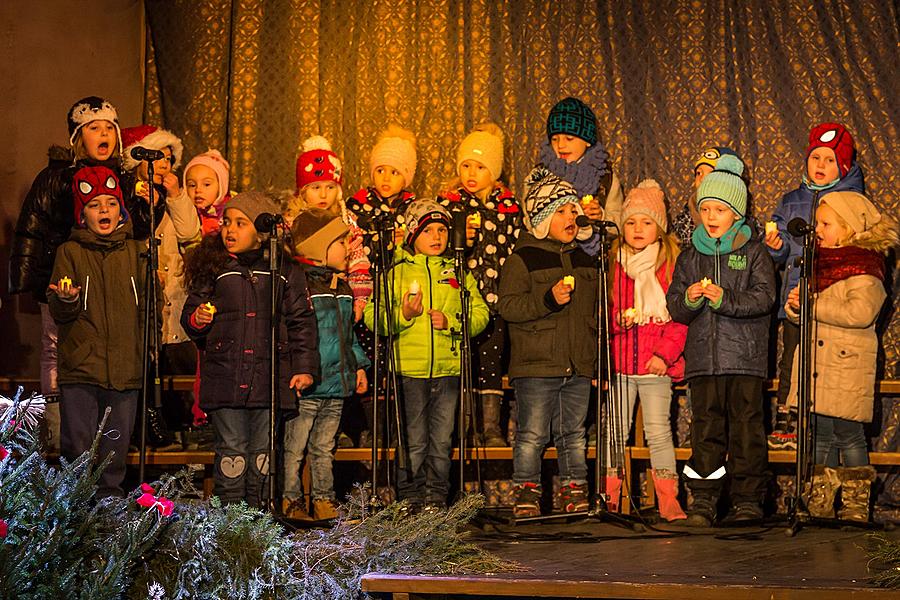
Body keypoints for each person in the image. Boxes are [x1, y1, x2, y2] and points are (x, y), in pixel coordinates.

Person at [181, 192, 319, 507]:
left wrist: (304, 367)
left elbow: (302, 321)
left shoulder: (284, 269)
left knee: (264, 454)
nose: (229, 230)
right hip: (225, 379)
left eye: (240, 223)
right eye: (227, 222)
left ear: (261, 230)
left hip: (270, 378)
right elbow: (190, 318)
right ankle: (231, 523)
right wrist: (198, 318)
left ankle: (261, 523)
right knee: (232, 453)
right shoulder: (214, 267)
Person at [666, 154, 775, 526]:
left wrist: (724, 298)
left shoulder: (754, 251)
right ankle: (703, 500)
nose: (711, 216)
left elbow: (764, 298)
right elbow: (675, 306)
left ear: (737, 213)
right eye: (705, 208)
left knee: (746, 428)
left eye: (720, 209)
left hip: (744, 359)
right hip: (703, 362)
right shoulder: (689, 254)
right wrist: (691, 298)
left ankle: (748, 500)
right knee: (706, 429)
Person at [364, 200, 489, 511]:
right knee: (414, 440)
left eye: (442, 230)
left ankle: (435, 498)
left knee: (442, 440)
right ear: (412, 235)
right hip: (409, 370)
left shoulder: (457, 271)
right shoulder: (395, 272)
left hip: (447, 369)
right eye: (428, 230)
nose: (437, 236)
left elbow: (481, 313)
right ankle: (411, 497)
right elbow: (371, 316)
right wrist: (403, 315)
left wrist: (452, 322)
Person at [10, 97, 123, 434]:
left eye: (109, 128)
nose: (103, 134)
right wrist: (29, 278)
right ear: (78, 137)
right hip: (62, 273)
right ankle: (57, 424)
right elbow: (33, 225)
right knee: (55, 345)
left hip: (106, 277)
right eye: (93, 128)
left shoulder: (124, 177)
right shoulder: (55, 177)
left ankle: (106, 423)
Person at [784, 191, 897, 522]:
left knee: (849, 435)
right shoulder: (819, 264)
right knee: (819, 432)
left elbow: (860, 312)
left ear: (849, 228)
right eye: (818, 222)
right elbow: (810, 313)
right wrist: (796, 308)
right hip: (819, 368)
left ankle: (856, 501)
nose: (817, 229)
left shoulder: (865, 267)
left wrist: (813, 305)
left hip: (846, 367)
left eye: (826, 223)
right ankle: (819, 498)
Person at [498, 167, 597, 518]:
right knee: (532, 434)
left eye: (573, 209)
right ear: (542, 219)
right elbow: (508, 306)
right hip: (537, 363)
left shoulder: (586, 259)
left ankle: (574, 490)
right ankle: (526, 492)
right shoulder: (522, 258)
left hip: (577, 363)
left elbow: (594, 312)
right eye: (561, 210)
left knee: (574, 433)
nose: (571, 216)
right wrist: (548, 299)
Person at [764, 123, 865, 450]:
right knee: (791, 355)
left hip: (833, 295)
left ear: (844, 166)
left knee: (827, 361)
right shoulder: (792, 200)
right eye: (815, 157)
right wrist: (775, 245)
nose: (820, 165)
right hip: (796, 293)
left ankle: (820, 425)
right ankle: (787, 416)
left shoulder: (851, 201)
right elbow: (779, 253)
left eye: (830, 160)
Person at [47, 165, 143, 498]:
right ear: (82, 215)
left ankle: (110, 512)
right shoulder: (69, 253)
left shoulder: (137, 253)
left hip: (124, 371)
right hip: (82, 369)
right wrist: (66, 300)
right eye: (94, 205)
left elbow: (148, 311)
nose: (104, 209)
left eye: (111, 203)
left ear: (121, 211)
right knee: (79, 447)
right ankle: (75, 512)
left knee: (114, 451)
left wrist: (145, 353)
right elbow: (60, 312)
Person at [606, 179, 688, 521]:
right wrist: (617, 323)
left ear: (659, 228)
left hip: (655, 367)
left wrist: (664, 356)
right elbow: (603, 313)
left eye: (646, 222)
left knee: (658, 431)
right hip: (621, 365)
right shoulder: (613, 264)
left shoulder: (669, 265)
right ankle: (610, 497)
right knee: (614, 434)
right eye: (630, 222)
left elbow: (679, 319)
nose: (637, 229)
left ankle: (667, 498)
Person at [282, 208, 370, 520]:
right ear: (318, 248)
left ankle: (323, 500)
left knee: (323, 448)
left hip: (336, 384)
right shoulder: (298, 287)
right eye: (339, 243)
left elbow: (349, 335)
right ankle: (290, 499)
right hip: (309, 385)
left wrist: (358, 366)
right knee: (294, 448)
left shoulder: (342, 287)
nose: (347, 249)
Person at [437, 123, 521, 447]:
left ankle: (491, 427)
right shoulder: (450, 203)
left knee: (491, 359)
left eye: (480, 167)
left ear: (494, 172)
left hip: (496, 297)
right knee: (463, 358)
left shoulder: (509, 207)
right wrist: (460, 240)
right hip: (461, 296)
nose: (471, 173)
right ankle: (463, 426)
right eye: (466, 166)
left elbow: (515, 250)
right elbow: (435, 245)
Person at [120, 125, 199, 449]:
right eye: (156, 158)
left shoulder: (172, 199)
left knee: (176, 364)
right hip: (143, 293)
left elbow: (189, 230)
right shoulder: (133, 195)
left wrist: (177, 195)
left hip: (172, 297)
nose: (163, 165)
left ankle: (179, 427)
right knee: (147, 364)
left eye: (168, 159)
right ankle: (147, 428)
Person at [537, 97, 624, 255]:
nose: (561, 145)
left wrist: (601, 217)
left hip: (593, 262)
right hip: (551, 258)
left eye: (569, 138)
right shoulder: (540, 175)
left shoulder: (605, 176)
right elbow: (530, 222)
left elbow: (621, 224)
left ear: (588, 141)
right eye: (555, 139)